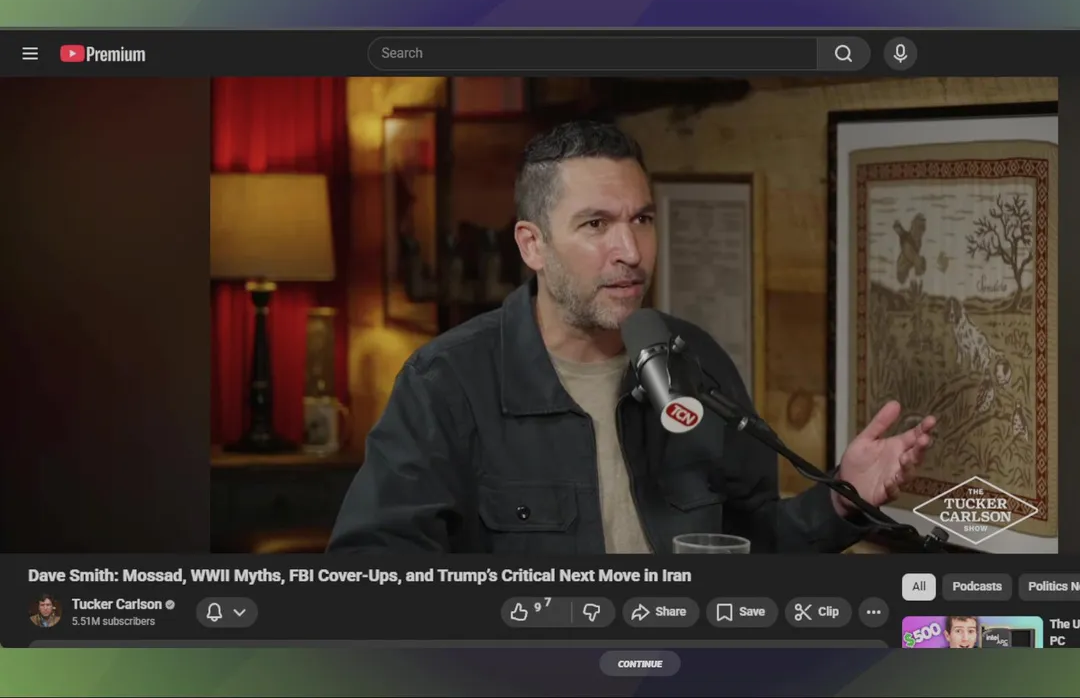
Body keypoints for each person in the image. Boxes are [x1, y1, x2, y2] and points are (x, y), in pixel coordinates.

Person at [328, 120, 937, 554]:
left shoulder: (697, 359)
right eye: (596, 224)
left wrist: (840, 500)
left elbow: (754, 545)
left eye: (642, 219)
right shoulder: (446, 383)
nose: (630, 251)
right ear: (532, 245)